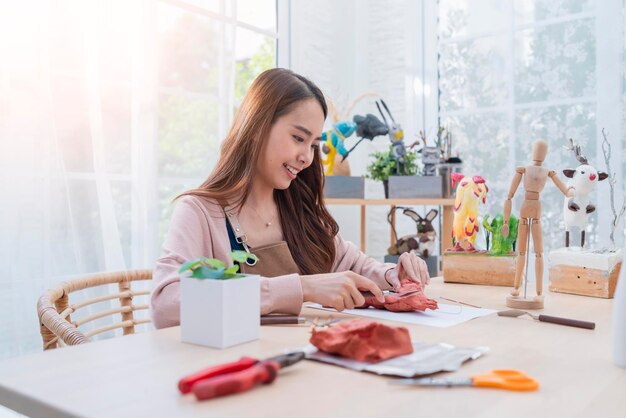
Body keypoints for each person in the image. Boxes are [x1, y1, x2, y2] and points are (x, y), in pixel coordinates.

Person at [151, 68, 430, 329]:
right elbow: (166, 305)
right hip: (238, 369)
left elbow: (353, 265)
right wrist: (303, 287)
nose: (307, 157)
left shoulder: (299, 210)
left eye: (314, 145)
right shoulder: (199, 212)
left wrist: (394, 276)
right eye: (298, 138)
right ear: (257, 126)